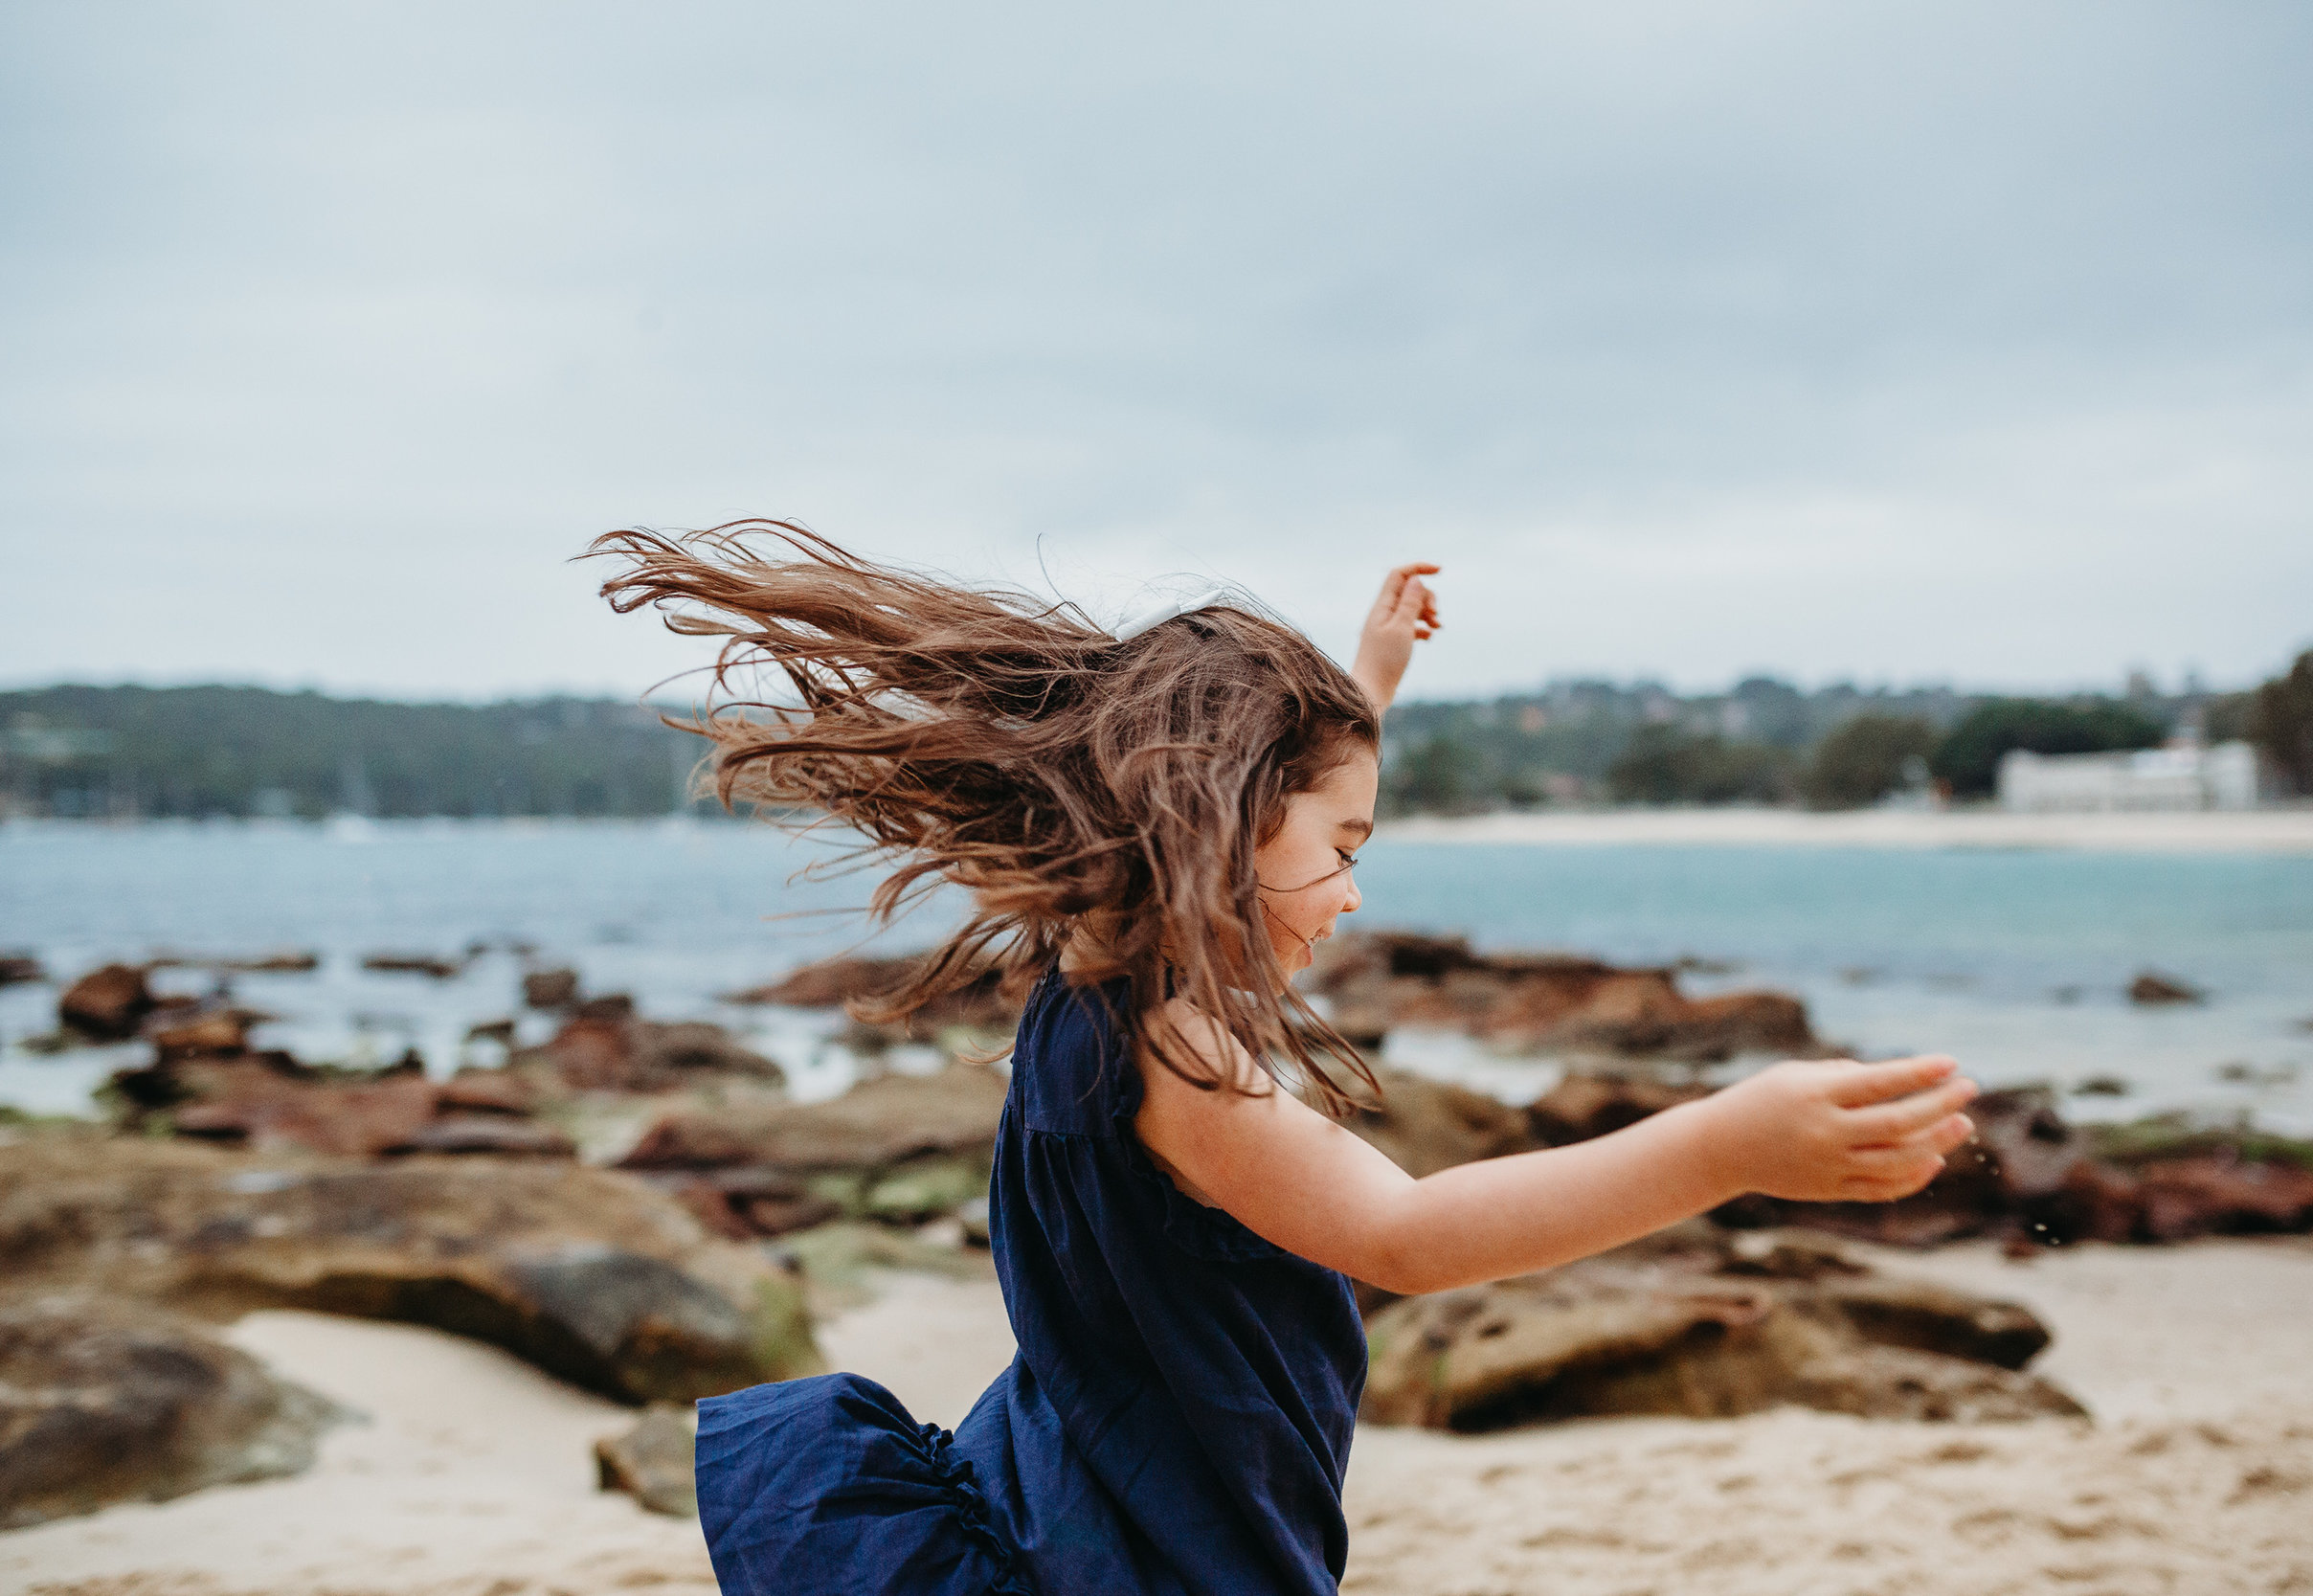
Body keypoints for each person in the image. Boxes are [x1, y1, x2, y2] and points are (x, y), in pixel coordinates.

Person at [594, 523, 1980, 1596]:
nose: (1356, 895)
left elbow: (1257, 794)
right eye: (1346, 853)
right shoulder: (1175, 1055)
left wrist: (1359, 688)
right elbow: (1410, 1234)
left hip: (1083, 1481)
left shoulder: (1106, 962)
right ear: (1223, 818)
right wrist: (1724, 1146)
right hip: (1138, 1553)